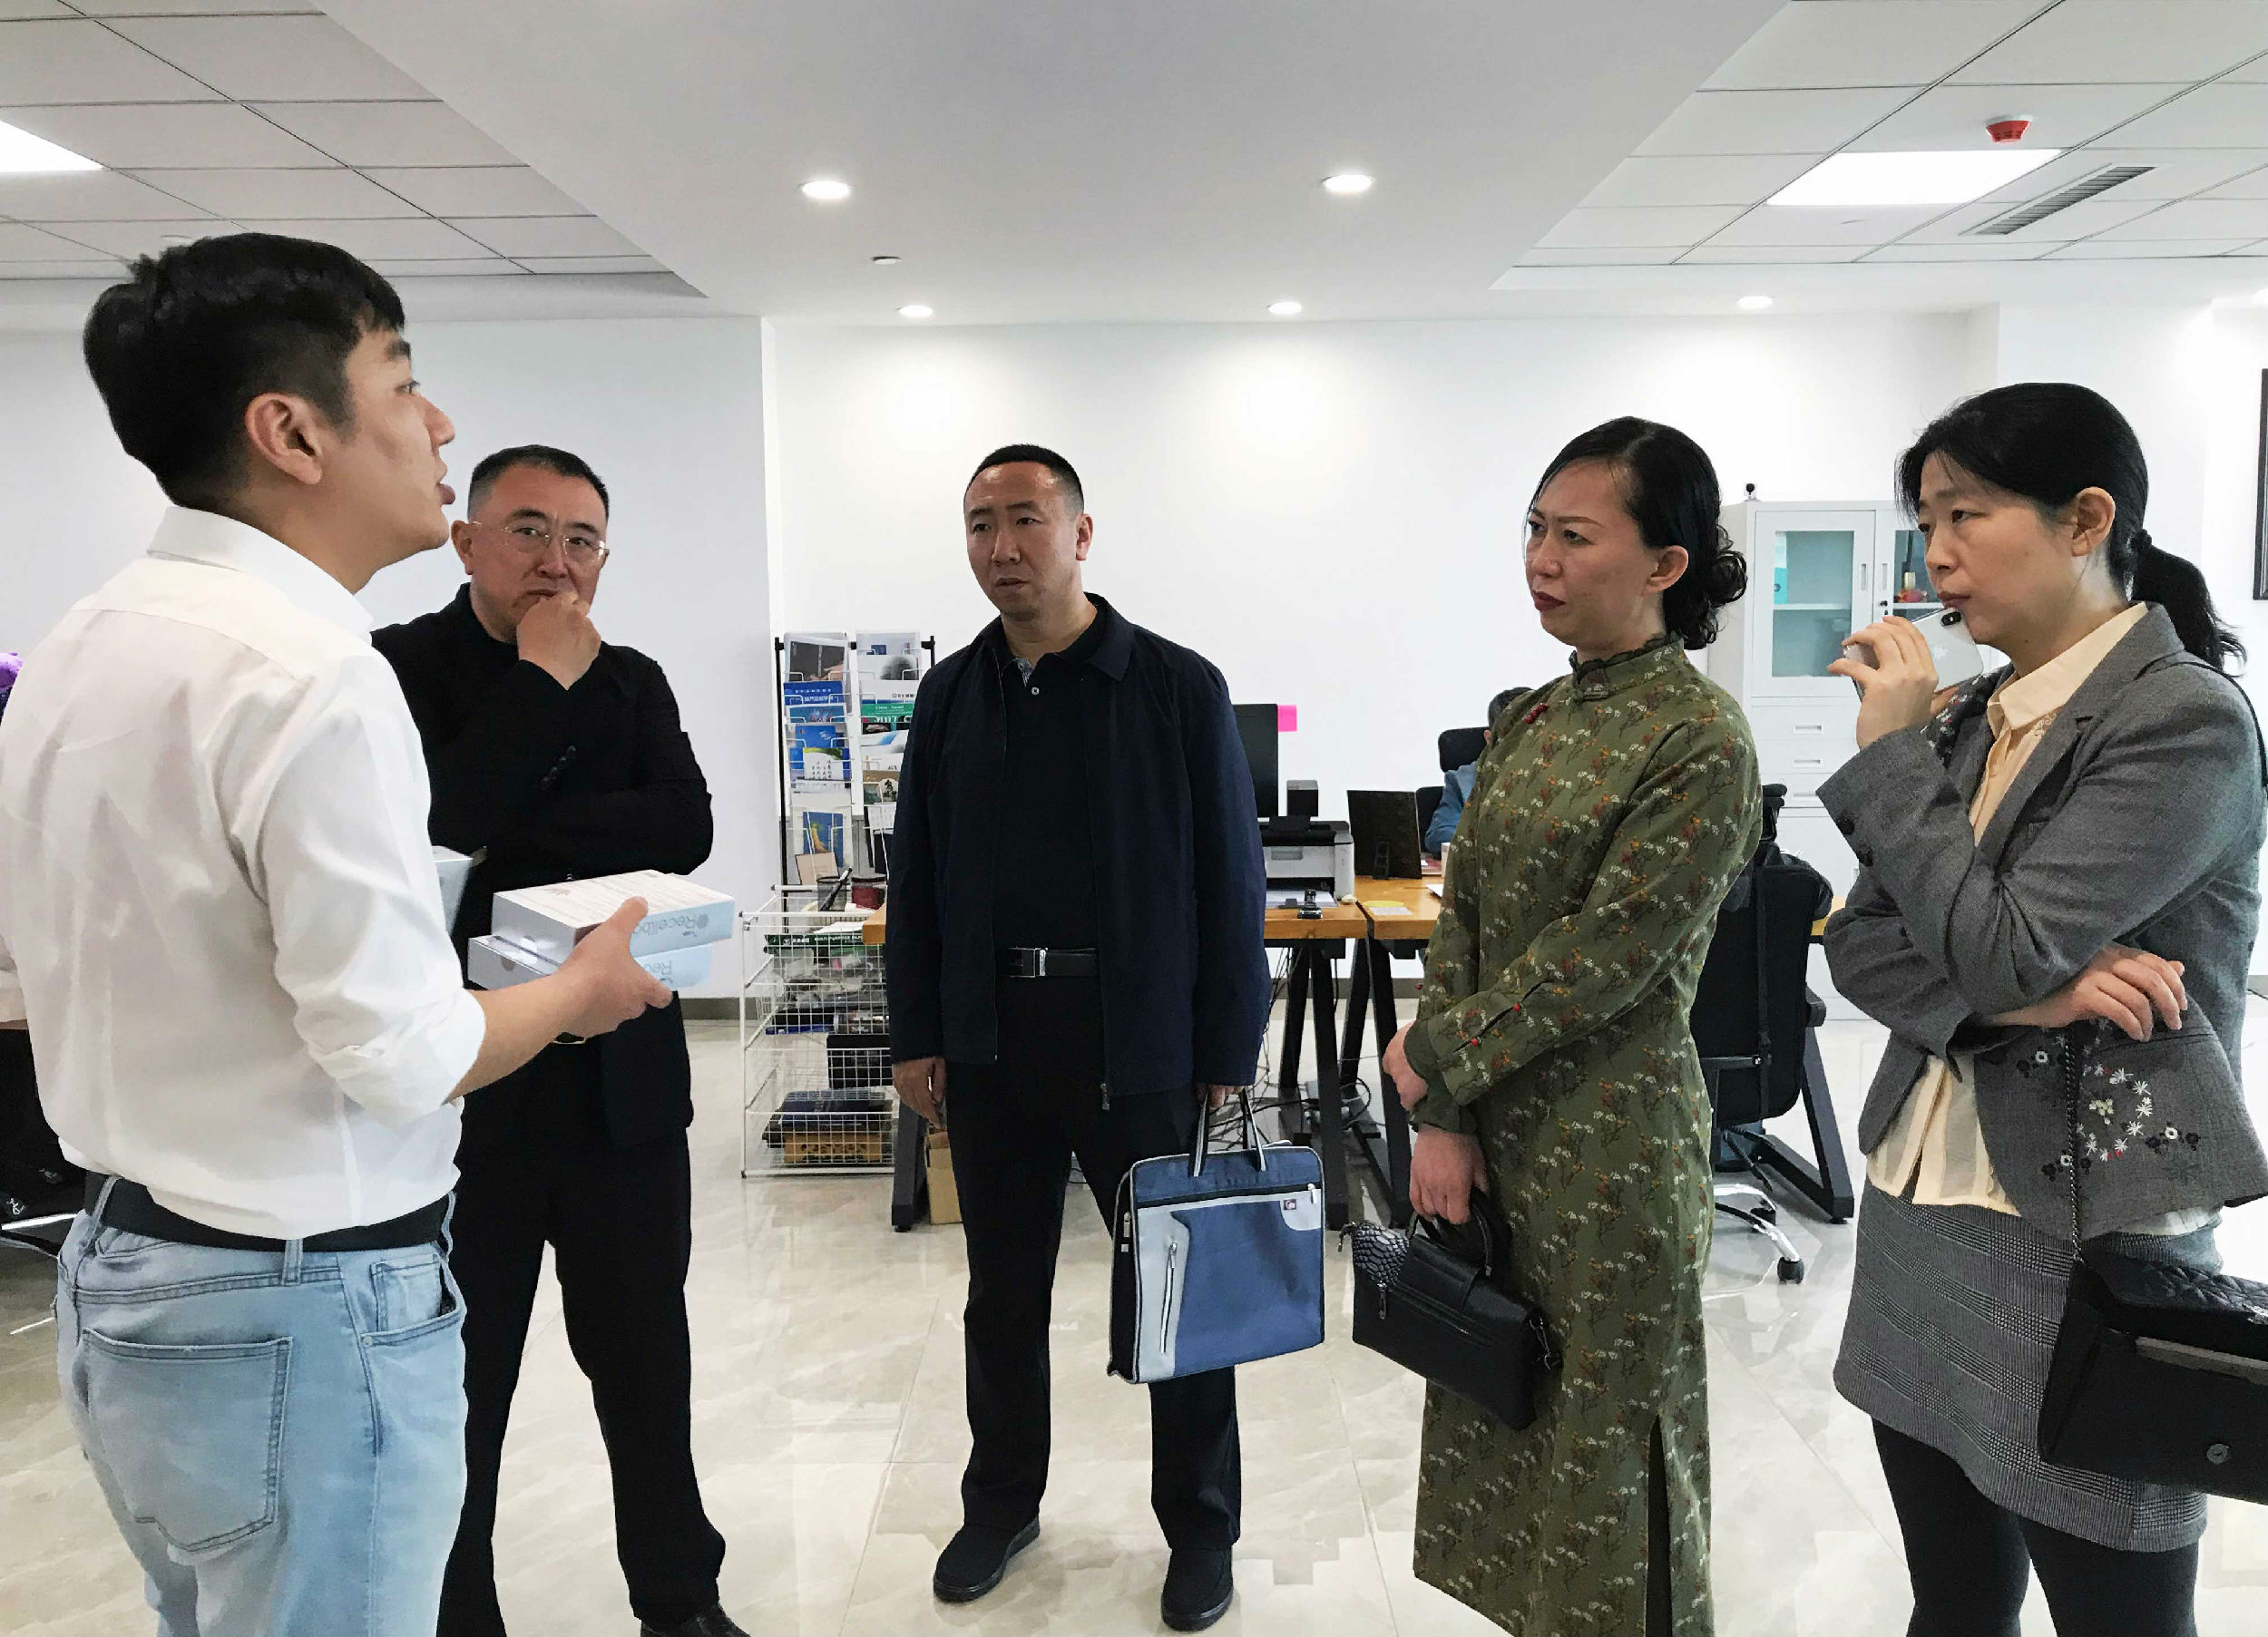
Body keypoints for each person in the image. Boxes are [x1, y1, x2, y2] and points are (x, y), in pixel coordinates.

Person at [0, 234, 669, 1637]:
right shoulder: (316, 676)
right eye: (403, 382)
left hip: (131, 1270)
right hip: (298, 1302)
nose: (439, 425)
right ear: (293, 432)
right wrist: (580, 988)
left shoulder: (85, 639)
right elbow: (401, 1051)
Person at [1823, 383, 2268, 1637]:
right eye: (1925, 521)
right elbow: (1859, 942)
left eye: (1964, 514)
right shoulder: (1975, 714)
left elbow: (1996, 941)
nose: (1936, 554)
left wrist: (1892, 760)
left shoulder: (2181, 718)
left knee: (2122, 1613)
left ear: (2085, 519)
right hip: (1920, 1205)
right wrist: (2030, 1000)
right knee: (1956, 1600)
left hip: (2083, 1233)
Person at [1383, 416, 1761, 1637]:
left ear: (1664, 563)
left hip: (1613, 1147)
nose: (1541, 559)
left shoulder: (1699, 739)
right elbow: (1464, 920)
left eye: (1574, 536)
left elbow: (1608, 957)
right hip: (1495, 1132)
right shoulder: (1529, 719)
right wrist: (1444, 1114)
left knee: (1615, 1443)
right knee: (1505, 1411)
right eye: (1534, 530)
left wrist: (1434, 1054)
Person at [885, 443, 1268, 1632]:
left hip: (1138, 1040)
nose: (1001, 547)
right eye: (979, 524)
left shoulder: (1174, 686)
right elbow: (918, 876)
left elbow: (1230, 882)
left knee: (1178, 1293)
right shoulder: (952, 695)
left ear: (1081, 533)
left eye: (1025, 520)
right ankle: (1001, 1503)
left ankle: (1200, 1529)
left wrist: (1226, 1049)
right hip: (993, 1041)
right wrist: (916, 1030)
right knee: (1000, 1294)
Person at [372, 446, 739, 1637]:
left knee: (646, 1366)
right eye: (529, 530)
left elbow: (683, 826)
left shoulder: (632, 679)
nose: (556, 560)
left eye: (582, 540)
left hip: (623, 1092)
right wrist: (537, 684)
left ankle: (680, 1598)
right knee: (459, 1384)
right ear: (467, 540)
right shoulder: (396, 670)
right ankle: (457, 1615)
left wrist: (518, 832)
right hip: (467, 1094)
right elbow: (440, 824)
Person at [1423, 685, 1524, 857]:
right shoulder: (1463, 781)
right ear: (1489, 739)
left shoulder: (1562, 778)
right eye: (1514, 736)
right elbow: (1439, 835)